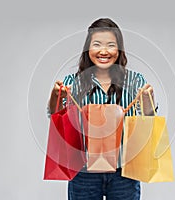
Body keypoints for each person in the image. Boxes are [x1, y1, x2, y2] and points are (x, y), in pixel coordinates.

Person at [47, 18, 157, 200]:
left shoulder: (135, 81)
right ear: (87, 49)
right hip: (84, 171)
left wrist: (148, 100)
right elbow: (56, 118)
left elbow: (149, 119)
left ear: (119, 49)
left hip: (125, 172)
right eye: (97, 44)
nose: (103, 51)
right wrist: (55, 96)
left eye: (110, 45)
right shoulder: (72, 83)